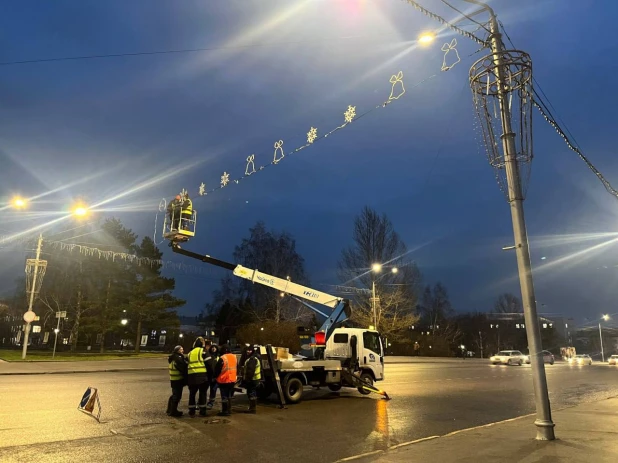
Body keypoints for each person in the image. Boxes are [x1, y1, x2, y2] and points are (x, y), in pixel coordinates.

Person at [187, 336, 209, 416]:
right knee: (202, 393)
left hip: (191, 376)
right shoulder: (203, 351)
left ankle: (191, 411)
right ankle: (202, 411)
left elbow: (186, 364)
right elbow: (209, 364)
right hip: (202, 376)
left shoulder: (190, 353)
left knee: (192, 394)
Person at [214, 344, 237, 417]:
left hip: (224, 380)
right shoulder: (234, 357)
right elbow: (237, 367)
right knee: (229, 395)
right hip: (232, 380)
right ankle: (229, 409)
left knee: (224, 396)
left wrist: (214, 377)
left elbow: (217, 369)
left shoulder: (222, 358)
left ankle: (225, 411)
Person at [167, 345, 188, 417]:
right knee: (177, 396)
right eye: (181, 349)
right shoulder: (178, 358)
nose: (183, 351)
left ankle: (170, 409)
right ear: (178, 350)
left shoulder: (173, 357)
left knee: (174, 395)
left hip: (173, 379)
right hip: (178, 379)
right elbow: (182, 368)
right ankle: (173, 411)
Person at [242, 345, 262, 414]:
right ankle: (252, 408)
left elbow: (250, 371)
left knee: (251, 393)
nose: (248, 351)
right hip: (255, 379)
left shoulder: (252, 359)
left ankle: (252, 409)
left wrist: (247, 380)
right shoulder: (254, 358)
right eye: (247, 350)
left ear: (252, 351)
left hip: (252, 380)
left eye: (249, 350)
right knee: (252, 393)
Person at [205, 344, 220, 410]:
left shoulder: (219, 357)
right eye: (212, 347)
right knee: (204, 390)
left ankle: (211, 403)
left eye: (215, 348)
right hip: (208, 376)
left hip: (215, 376)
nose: (213, 349)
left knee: (213, 390)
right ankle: (202, 402)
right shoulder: (208, 355)